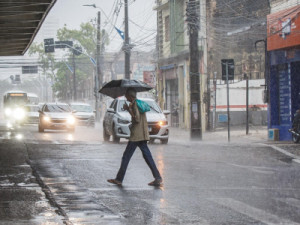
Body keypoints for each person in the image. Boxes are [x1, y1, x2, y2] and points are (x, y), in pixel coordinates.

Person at [107, 88, 162, 187]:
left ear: (130, 96)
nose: (126, 97)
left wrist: (129, 109)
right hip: (142, 134)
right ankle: (157, 177)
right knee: (147, 156)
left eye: (127, 95)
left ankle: (119, 179)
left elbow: (136, 119)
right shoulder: (138, 103)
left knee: (126, 156)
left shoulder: (134, 104)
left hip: (136, 136)